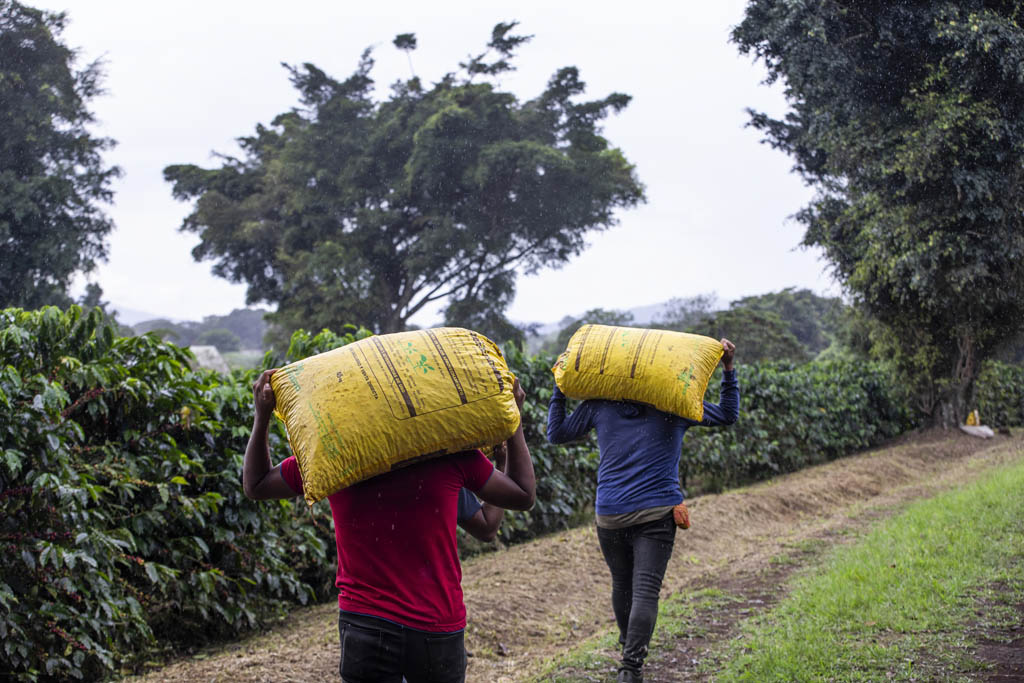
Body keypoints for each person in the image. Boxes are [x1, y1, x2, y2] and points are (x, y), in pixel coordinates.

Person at [243, 370, 535, 683]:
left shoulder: (334, 454)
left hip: (365, 625)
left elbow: (257, 485)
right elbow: (522, 494)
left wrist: (262, 417)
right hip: (436, 626)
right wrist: (514, 422)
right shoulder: (446, 452)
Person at [546, 339, 739, 683]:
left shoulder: (600, 406)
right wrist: (728, 368)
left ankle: (627, 647)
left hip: (610, 514)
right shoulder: (675, 405)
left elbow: (556, 433)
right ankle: (630, 667)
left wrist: (559, 386)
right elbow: (727, 414)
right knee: (645, 590)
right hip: (657, 513)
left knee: (622, 584)